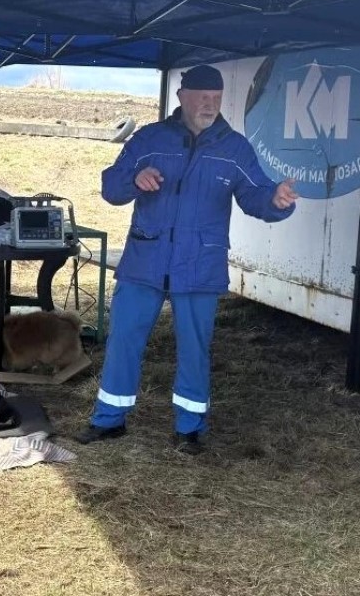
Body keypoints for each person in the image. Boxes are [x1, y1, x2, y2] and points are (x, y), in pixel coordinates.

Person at [75, 64, 298, 455]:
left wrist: (277, 202)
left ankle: (189, 429)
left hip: (200, 265)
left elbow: (256, 195)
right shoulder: (149, 139)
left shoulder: (235, 149)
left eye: (216, 98)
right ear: (182, 97)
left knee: (195, 348)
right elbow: (111, 185)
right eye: (202, 97)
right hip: (145, 260)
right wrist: (133, 180)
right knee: (123, 340)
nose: (210, 105)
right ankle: (109, 420)